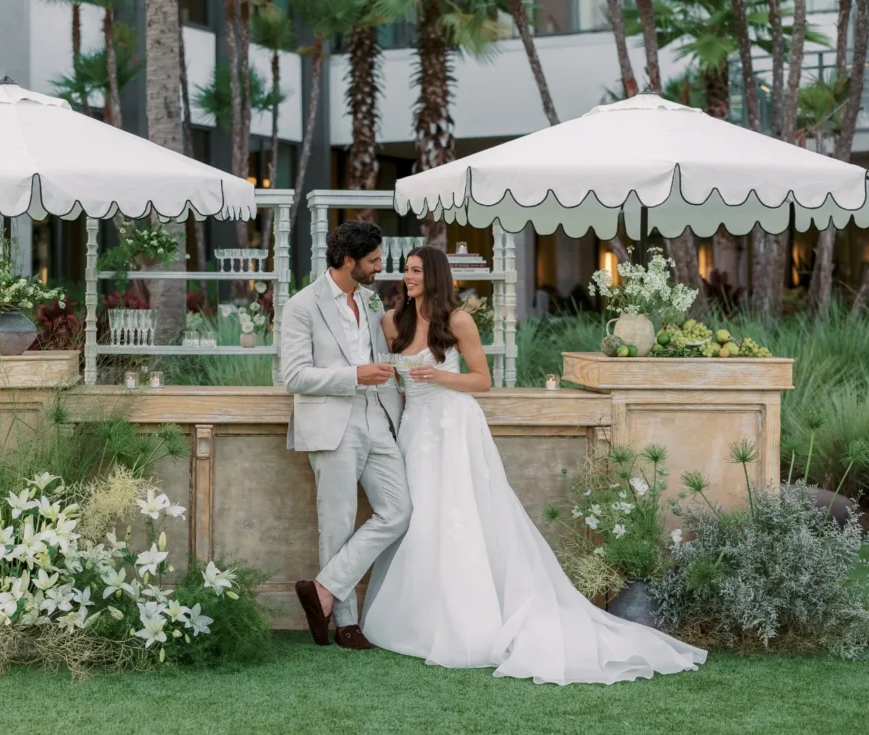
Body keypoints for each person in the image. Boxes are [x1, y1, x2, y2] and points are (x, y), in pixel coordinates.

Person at [360, 245, 707, 685]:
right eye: (405, 271)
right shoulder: (393, 321)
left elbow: (482, 381)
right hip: (415, 429)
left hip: (454, 424)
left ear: (433, 275)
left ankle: (470, 619)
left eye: (414, 271)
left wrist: (441, 376)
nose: (406, 277)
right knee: (419, 517)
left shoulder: (458, 320)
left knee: (460, 513)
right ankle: (417, 614)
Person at [279, 220, 411, 650]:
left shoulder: (372, 303)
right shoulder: (302, 305)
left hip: (379, 418)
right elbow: (294, 376)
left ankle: (322, 591)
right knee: (335, 524)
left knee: (398, 511)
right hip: (333, 423)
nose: (380, 267)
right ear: (349, 261)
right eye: (373, 260)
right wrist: (354, 376)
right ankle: (345, 623)